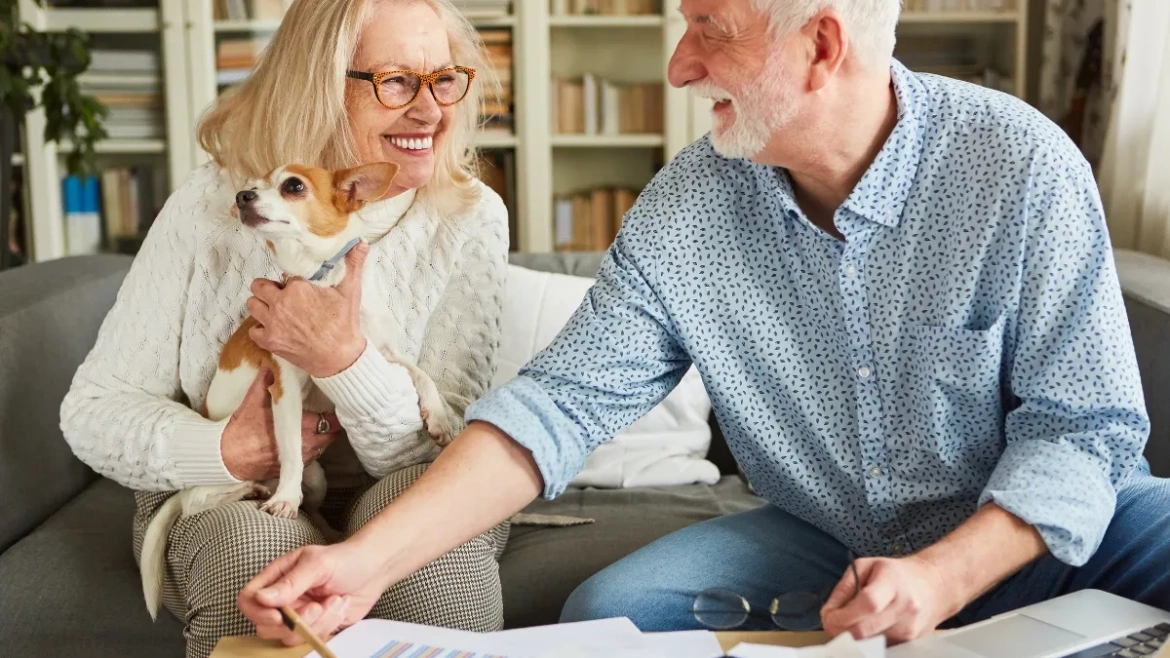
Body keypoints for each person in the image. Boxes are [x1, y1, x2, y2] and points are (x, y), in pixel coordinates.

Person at [238, 0, 1170, 647]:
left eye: (708, 33)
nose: (680, 66)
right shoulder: (691, 204)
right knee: (612, 612)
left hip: (1038, 532)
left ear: (821, 45)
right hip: (833, 538)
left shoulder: (1018, 165)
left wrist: (943, 578)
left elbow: (1084, 433)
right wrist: (359, 563)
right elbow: (556, 408)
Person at [58, 0, 510, 655]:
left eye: (443, 79)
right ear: (319, 85)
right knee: (255, 555)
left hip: (401, 479)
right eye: (395, 81)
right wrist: (225, 451)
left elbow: (457, 455)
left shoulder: (470, 216)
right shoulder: (213, 205)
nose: (430, 110)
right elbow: (93, 412)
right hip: (230, 491)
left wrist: (344, 362)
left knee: (436, 565)